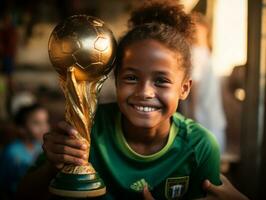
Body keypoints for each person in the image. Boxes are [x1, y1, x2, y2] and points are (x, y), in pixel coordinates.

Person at [17, 1, 221, 199]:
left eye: (161, 81)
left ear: (184, 88)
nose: (145, 92)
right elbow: (23, 194)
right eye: (131, 78)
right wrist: (52, 166)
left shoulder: (199, 146)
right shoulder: (87, 130)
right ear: (115, 80)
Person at [182, 12, 226, 153]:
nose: (196, 33)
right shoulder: (196, 53)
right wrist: (193, 113)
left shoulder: (205, 51)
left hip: (211, 112)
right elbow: (194, 83)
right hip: (202, 115)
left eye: (199, 29)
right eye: (194, 30)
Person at [0, 103, 50, 199]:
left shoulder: (41, 147)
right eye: (37, 123)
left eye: (45, 122)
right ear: (21, 128)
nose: (44, 127)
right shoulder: (12, 152)